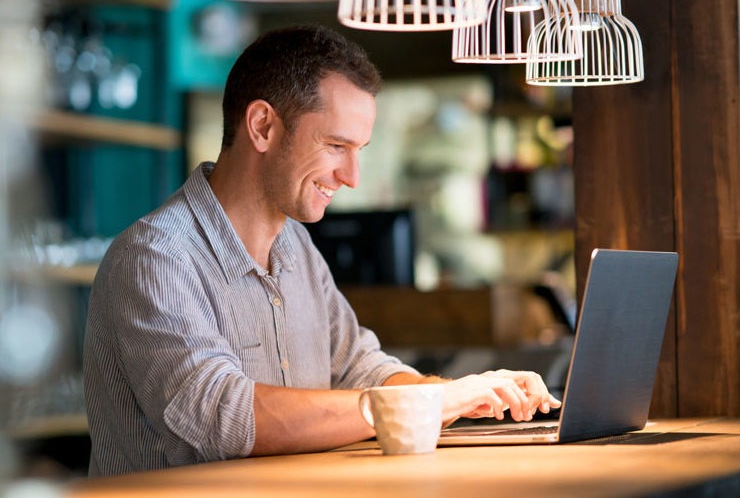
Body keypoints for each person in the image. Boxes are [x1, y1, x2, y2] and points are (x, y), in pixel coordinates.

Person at [83, 24, 561, 477]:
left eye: (359, 150)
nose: (352, 177)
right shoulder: (155, 258)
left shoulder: (296, 245)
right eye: (336, 146)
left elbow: (358, 367)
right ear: (263, 126)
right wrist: (428, 404)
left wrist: (460, 394)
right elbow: (219, 416)